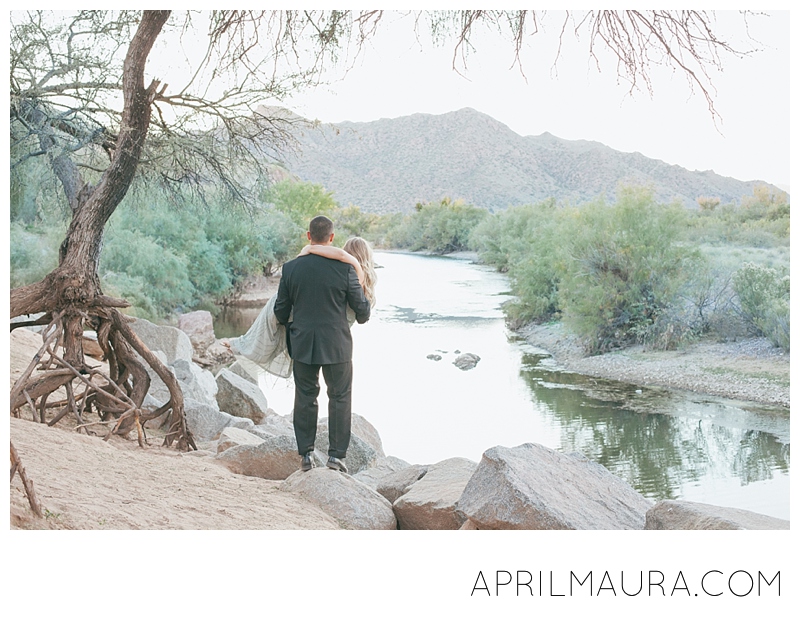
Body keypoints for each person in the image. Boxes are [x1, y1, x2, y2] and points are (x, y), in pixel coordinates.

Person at [274, 216, 372, 474]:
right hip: (337, 345)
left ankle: (306, 455)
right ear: (331, 238)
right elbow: (363, 313)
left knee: (305, 397)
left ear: (309, 237)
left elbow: (280, 312)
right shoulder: (346, 270)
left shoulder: (291, 269)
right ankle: (336, 457)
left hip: (303, 343)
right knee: (339, 398)